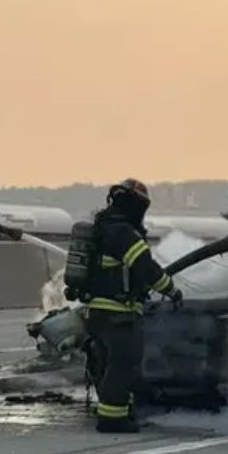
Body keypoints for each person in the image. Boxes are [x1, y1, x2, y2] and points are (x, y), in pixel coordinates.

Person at [84, 178, 182, 433]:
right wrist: (171, 290)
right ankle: (112, 419)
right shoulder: (124, 233)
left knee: (110, 364)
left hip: (98, 311)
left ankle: (118, 412)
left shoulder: (104, 228)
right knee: (124, 365)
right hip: (119, 313)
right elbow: (146, 269)